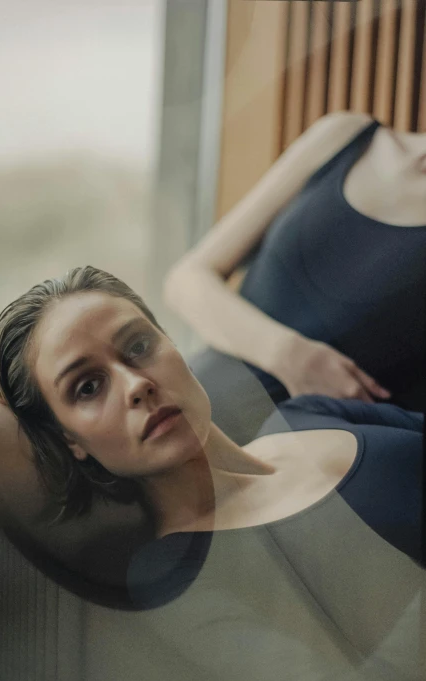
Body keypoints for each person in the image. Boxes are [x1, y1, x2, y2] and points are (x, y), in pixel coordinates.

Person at [0, 266, 423, 681]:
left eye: (138, 347)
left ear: (173, 345)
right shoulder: (177, 578)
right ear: (71, 443)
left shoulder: (311, 415)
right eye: (88, 387)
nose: (135, 384)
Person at [164, 111, 426, 444]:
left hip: (308, 475)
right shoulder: (345, 136)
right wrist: (289, 355)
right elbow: (186, 280)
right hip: (169, 424)